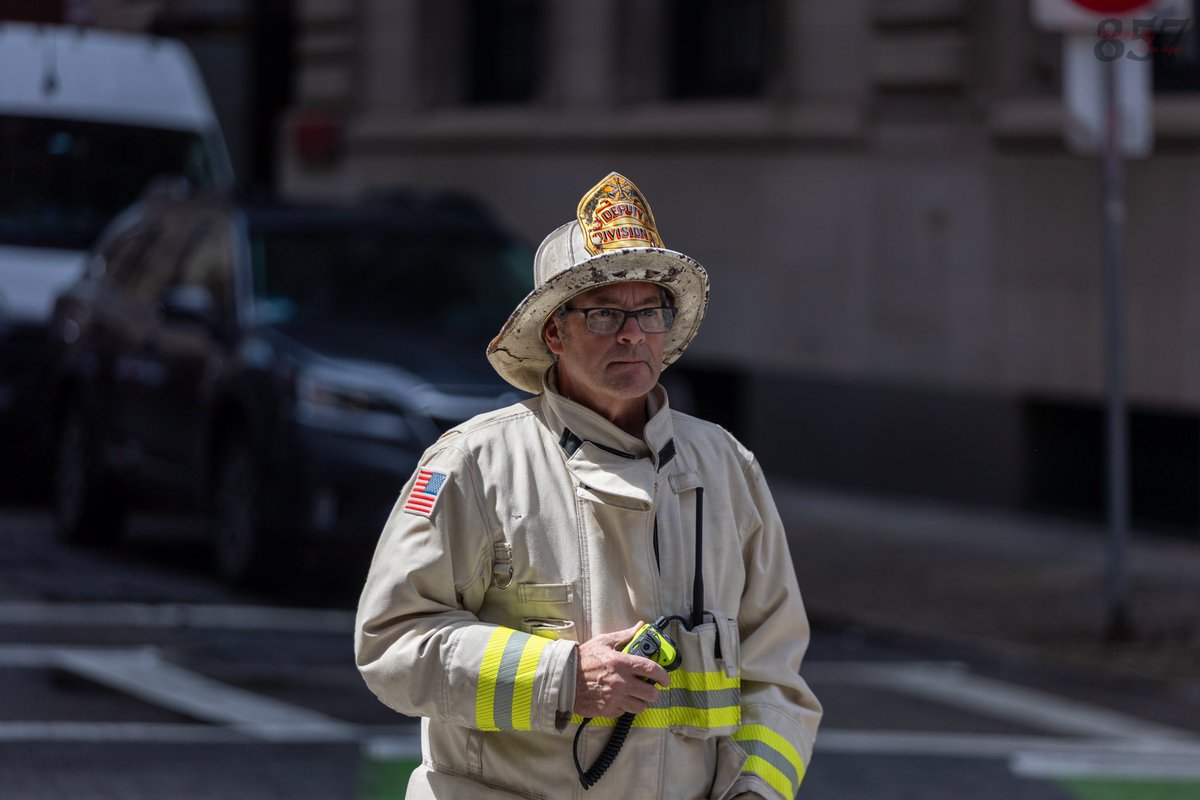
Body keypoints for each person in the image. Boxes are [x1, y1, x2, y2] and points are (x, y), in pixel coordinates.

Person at [355, 172, 822, 799]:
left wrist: (754, 795)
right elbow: (392, 645)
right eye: (605, 313)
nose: (632, 333)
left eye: (650, 311)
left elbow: (778, 681)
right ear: (554, 333)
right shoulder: (473, 463)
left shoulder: (726, 467)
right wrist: (562, 676)